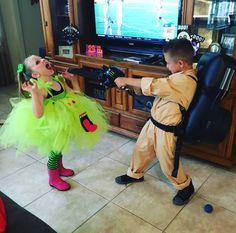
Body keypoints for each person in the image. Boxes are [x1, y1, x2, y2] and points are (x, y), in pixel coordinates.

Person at [0, 55, 108, 191]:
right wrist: (34, 93)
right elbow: (38, 114)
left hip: (67, 117)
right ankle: (53, 178)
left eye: (42, 59)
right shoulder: (41, 89)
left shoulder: (59, 81)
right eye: (38, 62)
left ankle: (60, 168)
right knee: (54, 151)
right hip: (52, 123)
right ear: (35, 74)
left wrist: (73, 80)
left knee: (61, 145)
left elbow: (77, 94)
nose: (44, 60)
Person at [114, 39, 198, 205]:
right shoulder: (178, 76)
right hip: (154, 123)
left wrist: (126, 80)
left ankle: (185, 186)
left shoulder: (185, 81)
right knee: (141, 150)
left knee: (168, 164)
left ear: (180, 63)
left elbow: (156, 85)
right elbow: (159, 91)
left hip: (167, 130)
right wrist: (133, 87)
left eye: (168, 63)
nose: (166, 66)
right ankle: (135, 174)